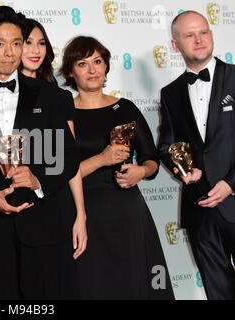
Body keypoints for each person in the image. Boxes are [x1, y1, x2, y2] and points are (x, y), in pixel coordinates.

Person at [0, 6, 80, 299]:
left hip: (45, 228)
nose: (9, 52)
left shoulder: (52, 96)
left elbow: (70, 156)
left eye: (16, 43)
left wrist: (38, 179)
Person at [59, 36, 174, 299]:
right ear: (70, 71)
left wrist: (140, 172)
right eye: (82, 63)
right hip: (83, 213)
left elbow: (151, 159)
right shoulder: (64, 113)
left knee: (135, 283)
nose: (92, 70)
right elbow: (61, 173)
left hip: (127, 211)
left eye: (97, 61)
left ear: (107, 66)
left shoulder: (126, 108)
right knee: (91, 283)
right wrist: (102, 158)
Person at [157, 10, 235, 300]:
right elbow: (166, 146)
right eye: (189, 35)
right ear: (175, 45)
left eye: (203, 32)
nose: (199, 39)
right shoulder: (170, 93)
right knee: (218, 293)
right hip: (200, 209)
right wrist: (182, 170)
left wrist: (230, 183)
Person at [19, 18, 87, 260]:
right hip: (13, 205)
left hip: (55, 202)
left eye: (41, 43)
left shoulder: (59, 97)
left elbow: (71, 159)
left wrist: (80, 214)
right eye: (27, 42)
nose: (35, 50)